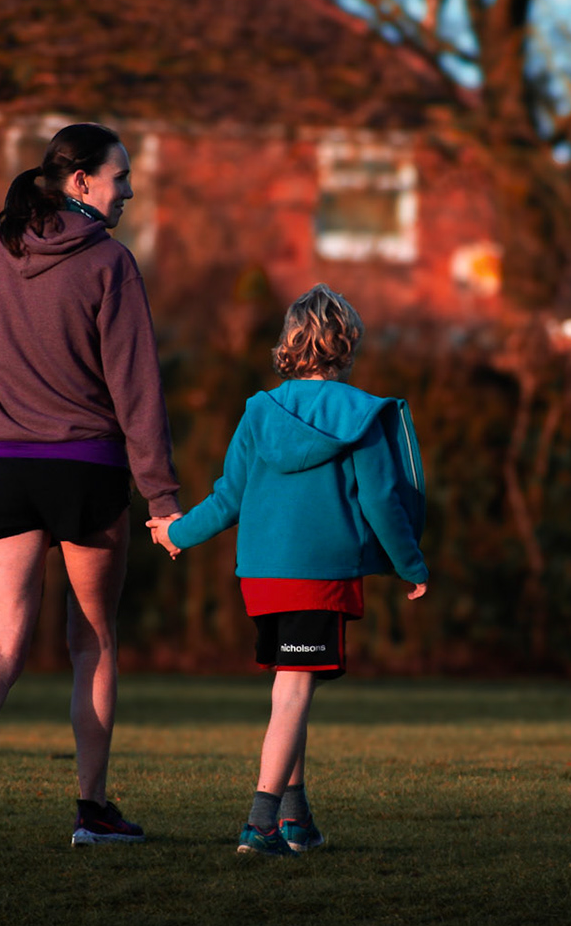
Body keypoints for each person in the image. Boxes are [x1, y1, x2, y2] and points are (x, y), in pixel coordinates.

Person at [0, 122, 181, 850]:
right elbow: (138, 391)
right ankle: (92, 813)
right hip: (87, 467)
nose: (129, 190)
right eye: (121, 177)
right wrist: (162, 499)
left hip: (1, 467)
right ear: (81, 181)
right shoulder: (111, 262)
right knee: (92, 641)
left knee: (1, 644)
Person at [148, 284, 427, 856]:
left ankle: (296, 821)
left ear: (291, 342)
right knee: (295, 689)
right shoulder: (361, 415)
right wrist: (410, 564)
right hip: (318, 574)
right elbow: (381, 500)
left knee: (291, 685)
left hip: (261, 574)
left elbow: (228, 498)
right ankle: (261, 824)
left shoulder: (259, 410)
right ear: (347, 343)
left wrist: (176, 532)